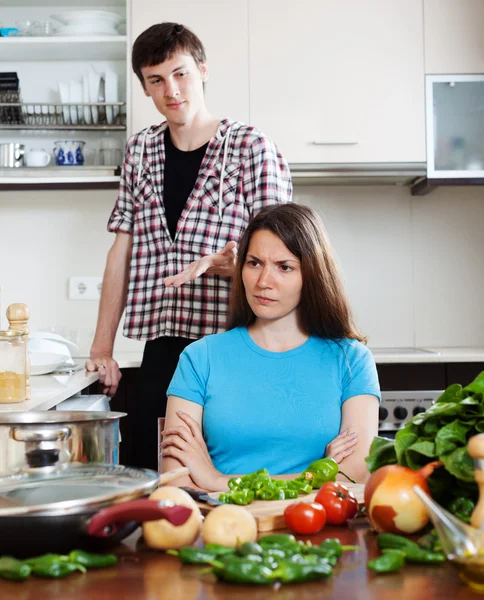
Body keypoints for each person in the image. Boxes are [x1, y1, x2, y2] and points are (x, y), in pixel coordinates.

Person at [85, 22, 292, 470]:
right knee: (158, 467)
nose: (171, 90)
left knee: (230, 469)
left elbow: (284, 253)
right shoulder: (140, 150)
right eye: (156, 80)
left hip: (236, 340)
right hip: (163, 341)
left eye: (180, 74)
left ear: (202, 70)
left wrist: (230, 264)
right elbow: (121, 249)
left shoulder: (250, 146)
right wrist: (102, 347)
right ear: (145, 87)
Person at [161, 204, 380, 489]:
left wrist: (219, 481)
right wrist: (316, 476)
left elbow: (354, 476)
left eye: (284, 267)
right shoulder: (200, 357)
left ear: (312, 275)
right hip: (222, 526)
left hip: (317, 526)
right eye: (254, 263)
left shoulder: (352, 360)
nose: (264, 282)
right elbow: (176, 480)